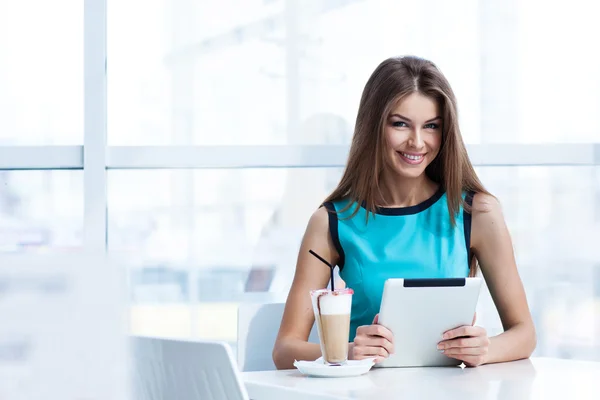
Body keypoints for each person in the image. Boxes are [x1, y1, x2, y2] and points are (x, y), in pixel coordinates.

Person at [272, 56, 537, 369]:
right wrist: (346, 351)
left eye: (431, 127)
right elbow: (285, 350)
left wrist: (485, 349)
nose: (417, 142)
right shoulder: (330, 221)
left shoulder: (477, 213)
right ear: (373, 127)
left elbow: (525, 333)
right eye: (400, 124)